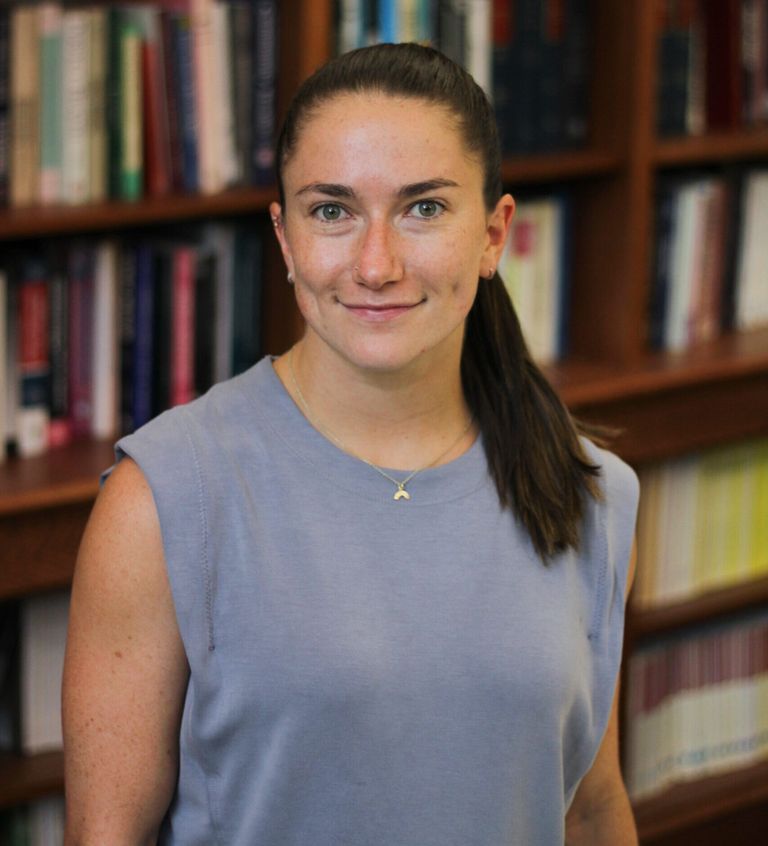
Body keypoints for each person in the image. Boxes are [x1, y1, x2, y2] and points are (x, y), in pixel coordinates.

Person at [62, 43, 640, 846]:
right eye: (332, 210)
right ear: (286, 237)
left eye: (425, 208)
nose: (376, 264)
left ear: (494, 233)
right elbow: (106, 836)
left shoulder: (593, 493)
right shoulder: (162, 500)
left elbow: (590, 806)